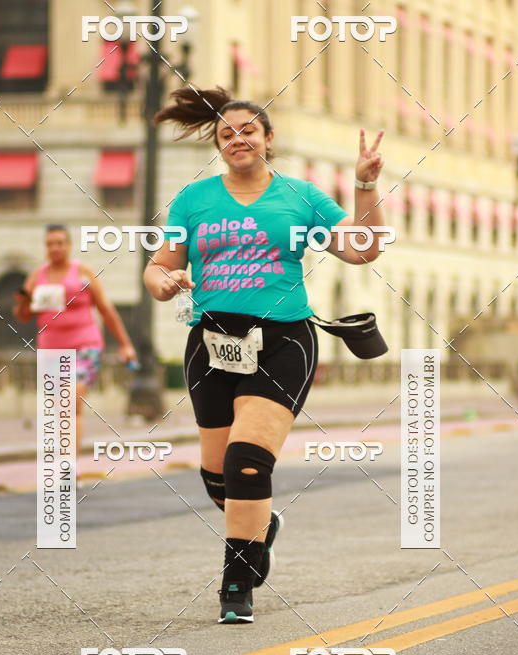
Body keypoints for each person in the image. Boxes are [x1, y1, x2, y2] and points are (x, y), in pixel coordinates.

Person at [144, 86, 386, 624]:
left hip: (282, 341)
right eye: (227, 133)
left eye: (248, 130)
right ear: (218, 143)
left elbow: (362, 248)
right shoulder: (194, 199)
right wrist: (166, 281)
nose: (237, 139)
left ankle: (236, 584)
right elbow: (159, 266)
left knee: (246, 461)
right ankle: (261, 525)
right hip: (210, 342)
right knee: (216, 478)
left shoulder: (300, 197)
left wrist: (366, 184)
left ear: (268, 139)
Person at [13, 224, 137, 464]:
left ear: (68, 246)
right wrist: (21, 303)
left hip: (85, 346)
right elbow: (23, 315)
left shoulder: (83, 272)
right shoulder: (36, 277)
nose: (55, 248)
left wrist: (125, 344)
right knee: (61, 409)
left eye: (60, 243)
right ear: (46, 247)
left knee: (71, 402)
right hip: (51, 349)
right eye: (50, 244)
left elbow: (105, 309)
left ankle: (68, 466)